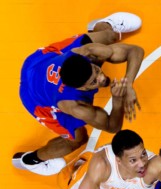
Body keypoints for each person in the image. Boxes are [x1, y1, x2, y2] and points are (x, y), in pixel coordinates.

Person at [13, 12, 145, 176]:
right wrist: (118, 100)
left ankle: (103, 24)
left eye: (96, 71)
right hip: (34, 97)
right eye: (93, 82)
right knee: (78, 139)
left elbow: (135, 51)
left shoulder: (86, 52)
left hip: (37, 61)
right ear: (81, 89)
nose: (102, 78)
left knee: (109, 37)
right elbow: (112, 127)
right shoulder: (74, 106)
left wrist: (128, 83)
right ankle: (31, 160)